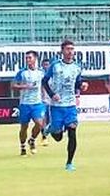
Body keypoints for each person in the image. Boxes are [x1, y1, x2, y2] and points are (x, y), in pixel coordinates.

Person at [42, 40, 88, 171]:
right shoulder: (55, 66)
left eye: (72, 49)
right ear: (62, 51)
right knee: (58, 137)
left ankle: (69, 163)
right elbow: (44, 81)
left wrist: (82, 85)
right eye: (68, 49)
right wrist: (52, 95)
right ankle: (51, 128)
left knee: (72, 131)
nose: (70, 52)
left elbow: (77, 82)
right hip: (56, 105)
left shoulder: (77, 67)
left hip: (70, 105)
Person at [12, 50, 46, 156]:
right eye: (26, 58)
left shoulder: (41, 72)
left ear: (35, 58)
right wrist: (24, 86)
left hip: (37, 103)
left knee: (39, 124)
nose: (28, 60)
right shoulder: (22, 73)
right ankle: (22, 146)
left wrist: (44, 95)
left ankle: (32, 140)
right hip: (25, 104)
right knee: (24, 127)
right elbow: (13, 86)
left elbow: (44, 84)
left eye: (30, 58)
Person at [40, 58, 52, 146]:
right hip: (42, 100)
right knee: (43, 118)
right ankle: (44, 137)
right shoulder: (40, 75)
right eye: (44, 65)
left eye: (47, 65)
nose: (46, 66)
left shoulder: (54, 75)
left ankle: (47, 132)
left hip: (52, 100)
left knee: (50, 120)